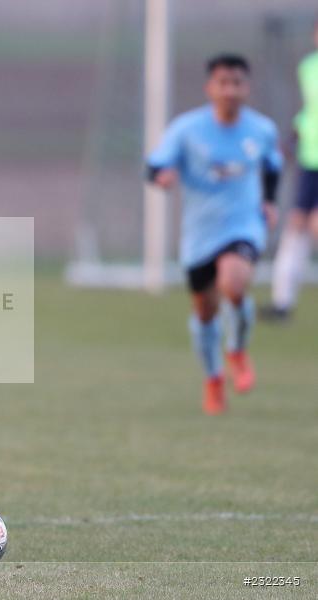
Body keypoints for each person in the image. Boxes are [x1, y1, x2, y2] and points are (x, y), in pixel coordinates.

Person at [147, 54, 283, 415]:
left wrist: (269, 201)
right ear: (210, 88)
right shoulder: (186, 129)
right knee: (205, 312)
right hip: (199, 234)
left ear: (246, 88)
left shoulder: (261, 129)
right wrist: (162, 177)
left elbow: (272, 165)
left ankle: (237, 349)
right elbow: (156, 163)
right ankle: (213, 378)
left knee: (234, 283)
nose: (230, 90)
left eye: (237, 83)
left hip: (243, 224)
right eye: (223, 83)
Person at [262, 22, 318, 321]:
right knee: (296, 224)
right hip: (311, 159)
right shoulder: (309, 67)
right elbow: (312, 109)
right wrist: (294, 135)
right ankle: (282, 301)